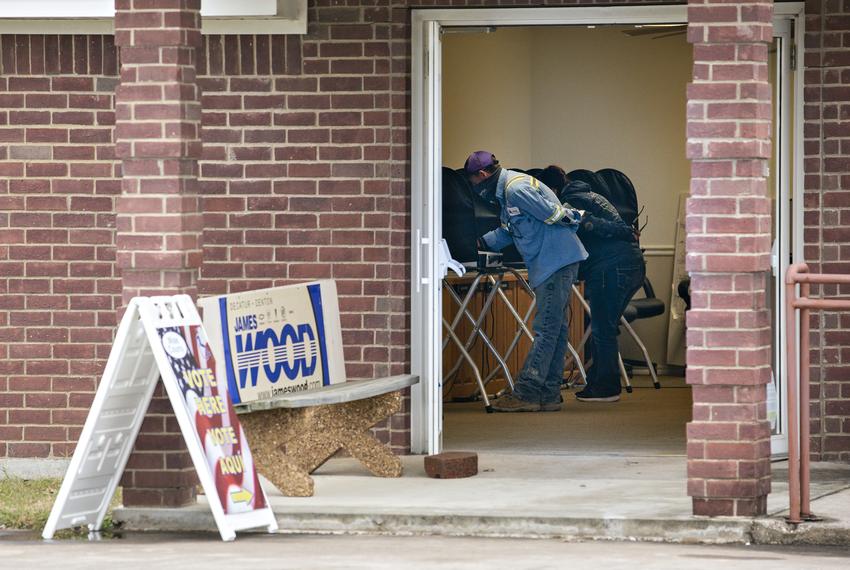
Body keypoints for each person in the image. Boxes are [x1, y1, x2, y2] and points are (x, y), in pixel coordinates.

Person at [464, 151, 587, 412]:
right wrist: (482, 242)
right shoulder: (509, 191)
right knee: (555, 329)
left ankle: (528, 392)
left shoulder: (516, 189)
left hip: (555, 260)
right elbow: (513, 229)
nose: (477, 190)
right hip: (554, 260)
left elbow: (552, 214)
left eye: (475, 183)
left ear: (483, 175)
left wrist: (574, 217)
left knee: (545, 328)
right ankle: (549, 393)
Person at [538, 165, 645, 402]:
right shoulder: (592, 194)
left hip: (611, 267)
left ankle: (606, 387)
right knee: (606, 325)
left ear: (552, 189)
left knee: (602, 328)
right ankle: (598, 380)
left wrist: (625, 231)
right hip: (633, 263)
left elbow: (589, 223)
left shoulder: (571, 200)